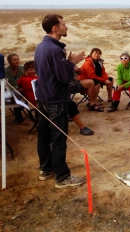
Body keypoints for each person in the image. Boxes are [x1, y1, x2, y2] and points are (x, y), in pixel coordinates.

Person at [34, 14, 86, 188]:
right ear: (55, 28)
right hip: (55, 100)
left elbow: (50, 71)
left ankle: (45, 169)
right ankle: (62, 178)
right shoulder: (55, 50)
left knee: (44, 136)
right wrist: (72, 63)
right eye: (63, 24)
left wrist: (66, 62)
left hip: (42, 98)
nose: (66, 27)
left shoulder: (41, 47)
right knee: (58, 139)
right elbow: (63, 77)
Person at [6, 53, 24, 123]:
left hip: (23, 91)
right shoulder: (6, 71)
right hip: (11, 92)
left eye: (17, 59)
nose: (17, 61)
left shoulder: (22, 69)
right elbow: (6, 84)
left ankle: (18, 115)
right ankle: (18, 116)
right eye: (14, 60)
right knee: (15, 98)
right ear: (10, 61)